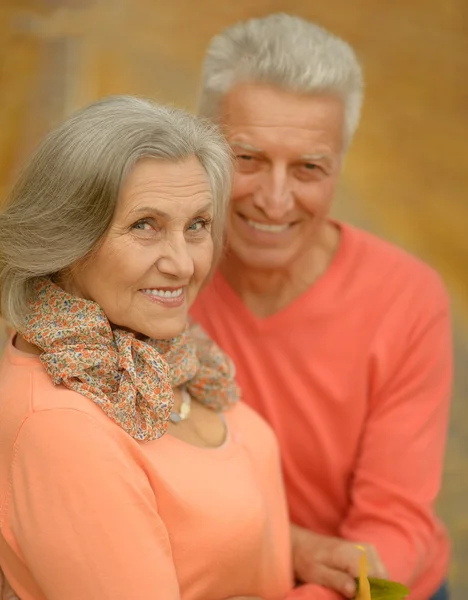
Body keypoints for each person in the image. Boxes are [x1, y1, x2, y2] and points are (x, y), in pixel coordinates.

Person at [190, 13, 453, 600]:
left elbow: (393, 528)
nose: (275, 200)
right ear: (200, 144)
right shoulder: (154, 276)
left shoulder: (407, 300)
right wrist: (293, 545)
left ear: (339, 162)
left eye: (308, 167)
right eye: (249, 159)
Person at [0, 95, 294, 600]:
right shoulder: (60, 426)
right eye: (145, 226)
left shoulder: (165, 351)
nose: (183, 264)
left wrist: (296, 550)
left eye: (197, 225)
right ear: (66, 238)